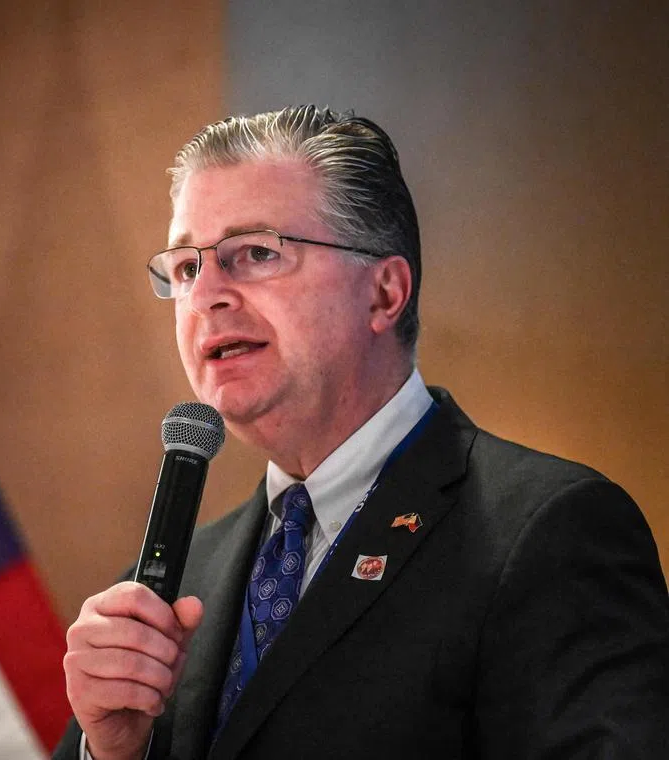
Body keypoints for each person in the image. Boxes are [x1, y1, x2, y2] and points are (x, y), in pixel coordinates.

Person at [52, 106, 669, 760]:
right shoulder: (171, 588)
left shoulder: (550, 531)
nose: (206, 296)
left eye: (256, 253)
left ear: (383, 293)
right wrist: (115, 753)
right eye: (185, 268)